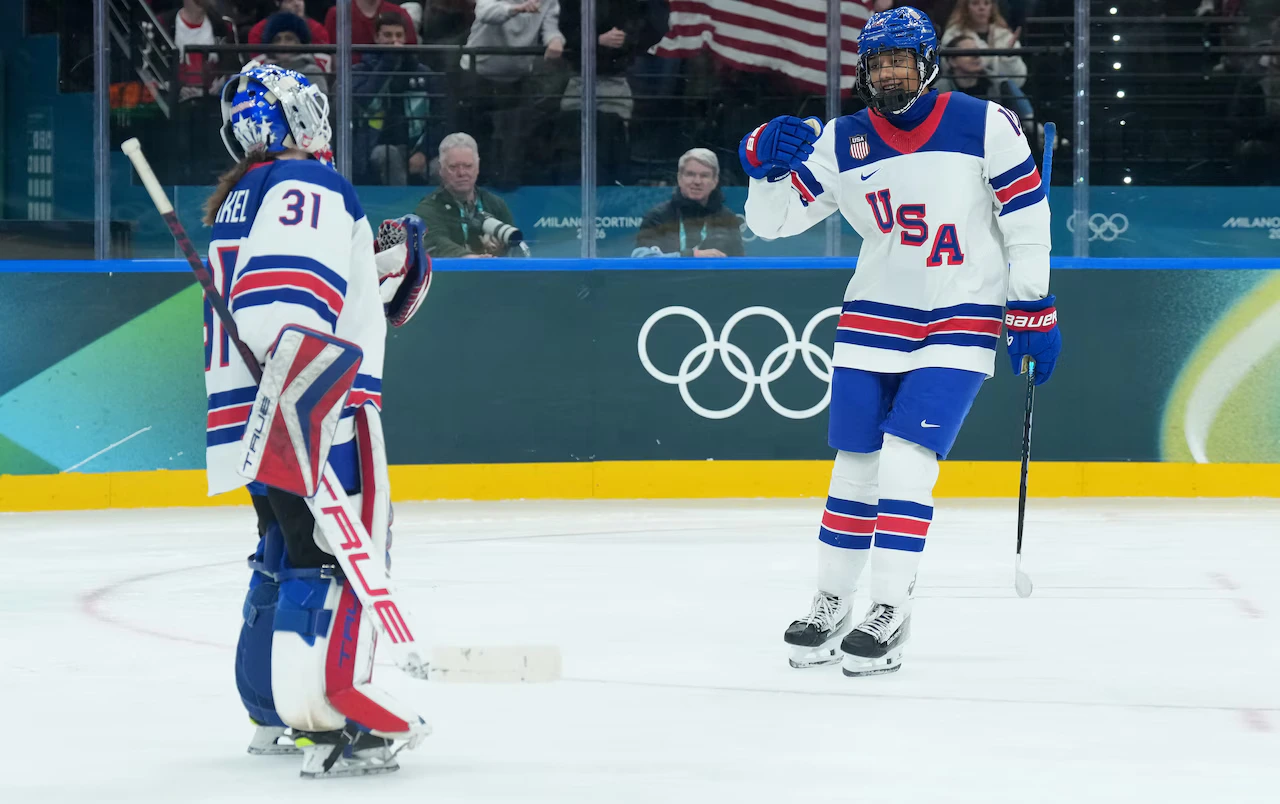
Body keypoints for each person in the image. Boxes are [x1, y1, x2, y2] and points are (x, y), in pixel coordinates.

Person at [740, 6, 1060, 676]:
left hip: (960, 313)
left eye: (901, 59)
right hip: (872, 319)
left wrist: (1031, 307)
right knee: (854, 468)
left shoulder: (984, 124)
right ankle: (832, 600)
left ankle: (891, 607)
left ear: (927, 62)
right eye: (879, 61)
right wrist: (761, 168)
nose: (890, 72)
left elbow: (1026, 218)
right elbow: (773, 226)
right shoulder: (841, 140)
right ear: (864, 70)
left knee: (908, 460)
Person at [203, 62, 432, 777]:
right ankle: (337, 717)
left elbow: (312, 294)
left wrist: (377, 262)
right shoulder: (306, 185)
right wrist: (307, 406)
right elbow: (281, 311)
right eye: (305, 105)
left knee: (283, 550)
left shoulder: (245, 192)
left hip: (253, 411)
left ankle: (271, 709)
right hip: (314, 406)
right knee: (336, 558)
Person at [351, 12, 442, 184]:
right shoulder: (361, 71)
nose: (394, 41)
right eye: (387, 35)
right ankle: (398, 209)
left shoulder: (423, 73)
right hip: (375, 146)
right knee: (388, 155)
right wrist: (387, 64)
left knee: (442, 168)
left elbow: (439, 119)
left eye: (399, 35)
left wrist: (424, 152)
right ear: (376, 38)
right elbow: (363, 102)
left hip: (418, 147)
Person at [413, 132, 519, 257]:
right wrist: (470, 259)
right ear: (441, 169)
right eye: (453, 167)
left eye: (468, 166)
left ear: (477, 167)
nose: (462, 173)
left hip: (493, 275)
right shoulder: (428, 208)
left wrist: (501, 251)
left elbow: (516, 250)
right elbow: (436, 242)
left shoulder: (495, 204)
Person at [634, 148, 745, 257]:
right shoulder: (657, 217)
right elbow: (643, 259)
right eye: (690, 174)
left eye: (704, 175)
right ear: (679, 178)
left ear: (715, 181)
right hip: (670, 276)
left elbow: (740, 267)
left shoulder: (727, 219)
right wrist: (691, 256)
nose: (697, 181)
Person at [936, 33, 1034, 124]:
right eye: (969, 52)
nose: (976, 56)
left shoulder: (1000, 84)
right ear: (952, 61)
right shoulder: (938, 91)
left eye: (977, 51)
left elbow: (1025, 120)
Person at [941, 0, 1027, 89]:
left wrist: (1009, 58)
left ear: (992, 7)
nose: (982, 8)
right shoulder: (953, 34)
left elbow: (1017, 81)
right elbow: (946, 67)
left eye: (986, 3)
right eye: (975, 3)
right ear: (965, 8)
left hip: (999, 94)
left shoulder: (1005, 36)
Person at [262, 12, 329, 94]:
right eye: (277, 39)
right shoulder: (263, 72)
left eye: (289, 39)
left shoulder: (312, 71)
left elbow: (320, 105)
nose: (282, 44)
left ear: (300, 43)